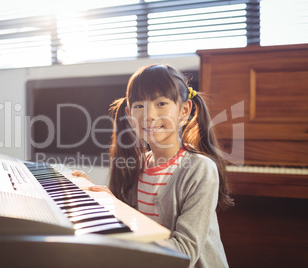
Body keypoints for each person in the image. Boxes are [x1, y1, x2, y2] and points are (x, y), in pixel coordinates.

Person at [73, 64, 233, 268]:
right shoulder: (138, 165)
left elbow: (184, 254)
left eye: (161, 103)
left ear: (184, 111)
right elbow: (136, 226)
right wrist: (107, 202)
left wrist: (125, 220)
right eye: (139, 106)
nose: (149, 115)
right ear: (130, 114)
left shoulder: (200, 169)